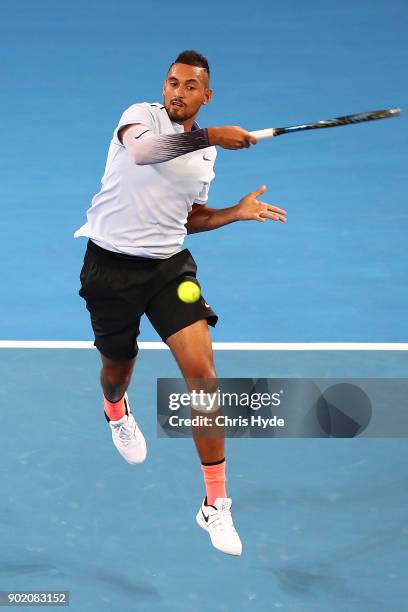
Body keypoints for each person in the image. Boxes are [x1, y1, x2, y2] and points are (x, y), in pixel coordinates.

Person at [74, 50, 286, 556]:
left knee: (202, 375)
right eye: (173, 82)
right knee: (116, 369)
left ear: (205, 96)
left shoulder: (206, 157)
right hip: (110, 267)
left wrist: (234, 212)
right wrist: (213, 134)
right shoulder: (138, 118)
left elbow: (187, 217)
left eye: (190, 87)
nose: (177, 92)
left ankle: (215, 504)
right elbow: (147, 154)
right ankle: (115, 409)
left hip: (169, 269)